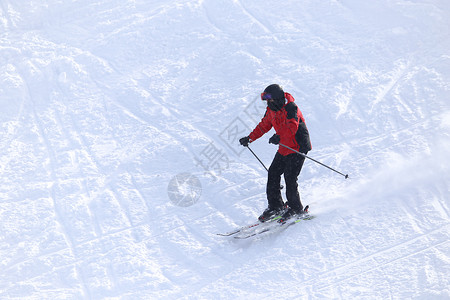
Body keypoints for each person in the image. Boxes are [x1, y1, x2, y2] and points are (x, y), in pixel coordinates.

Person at [239, 84, 312, 223]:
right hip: (285, 147)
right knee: (273, 172)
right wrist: (250, 138)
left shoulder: (291, 108)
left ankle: (296, 208)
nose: (268, 102)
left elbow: (292, 126)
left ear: (278, 98)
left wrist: (279, 136)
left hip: (298, 147)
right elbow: (263, 126)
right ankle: (276, 206)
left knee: (290, 176)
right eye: (266, 100)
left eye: (270, 100)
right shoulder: (271, 110)